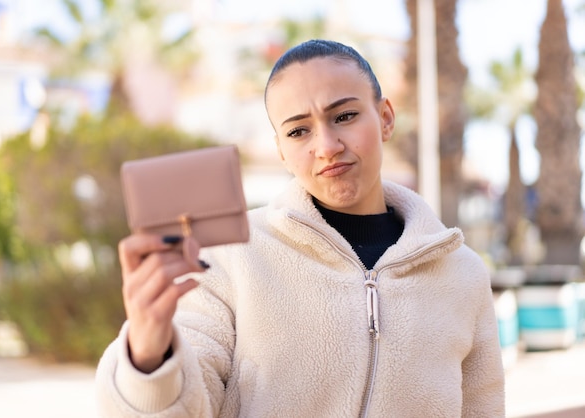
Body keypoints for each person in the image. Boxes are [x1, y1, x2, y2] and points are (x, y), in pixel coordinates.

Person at [95, 39, 505, 417]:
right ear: (282, 152)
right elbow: (184, 405)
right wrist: (149, 354)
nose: (326, 146)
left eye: (344, 116)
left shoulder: (462, 274)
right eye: (298, 131)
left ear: (385, 118)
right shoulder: (229, 256)